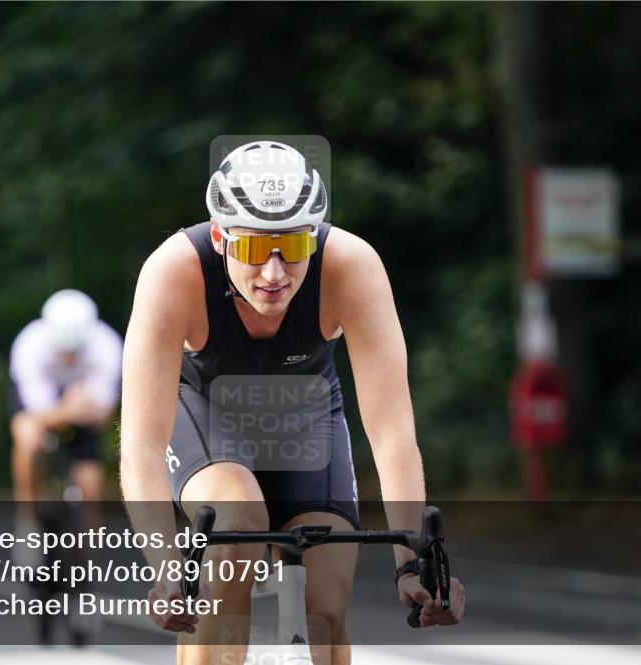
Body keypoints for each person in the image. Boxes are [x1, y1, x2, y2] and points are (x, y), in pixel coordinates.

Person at [120, 141, 465, 665]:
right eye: (256, 250)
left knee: (324, 613)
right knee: (235, 523)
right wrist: (169, 570)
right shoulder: (173, 273)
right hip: (206, 413)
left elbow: (393, 434)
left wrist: (412, 563)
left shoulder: (351, 265)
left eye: (293, 248)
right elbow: (142, 446)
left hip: (305, 417)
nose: (275, 273)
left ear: (314, 239)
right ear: (220, 237)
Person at [9, 289, 123, 527]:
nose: (70, 360)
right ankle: (28, 518)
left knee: (90, 483)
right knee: (28, 436)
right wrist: (67, 410)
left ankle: (87, 549)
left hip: (83, 405)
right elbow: (37, 414)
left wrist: (85, 409)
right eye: (64, 353)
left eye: (76, 353)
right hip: (45, 404)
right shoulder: (30, 344)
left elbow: (103, 415)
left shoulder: (108, 345)